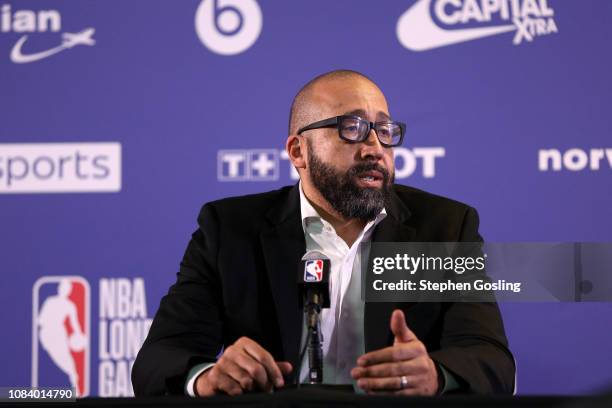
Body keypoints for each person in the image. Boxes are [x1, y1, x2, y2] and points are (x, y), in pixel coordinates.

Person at [132, 70, 515, 396]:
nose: (375, 148)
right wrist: (208, 378)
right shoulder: (230, 229)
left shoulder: (444, 229)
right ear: (298, 152)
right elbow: (158, 359)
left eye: (384, 130)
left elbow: (492, 360)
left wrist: (435, 375)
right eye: (352, 129)